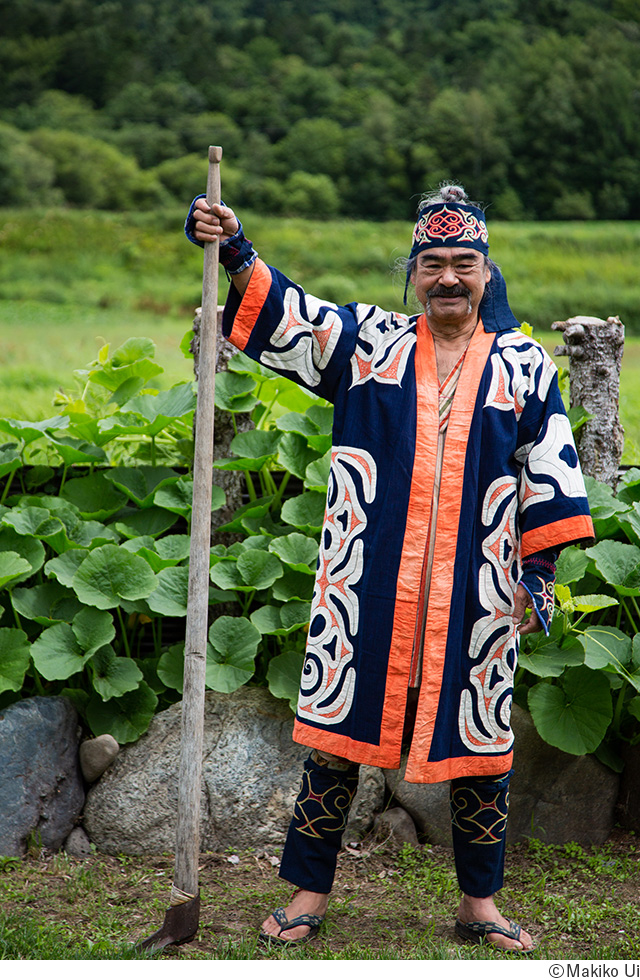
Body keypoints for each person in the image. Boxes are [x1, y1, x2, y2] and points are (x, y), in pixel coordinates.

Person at [185, 185, 594, 953]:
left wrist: (537, 575)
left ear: (487, 271)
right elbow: (292, 313)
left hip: (478, 589)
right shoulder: (369, 345)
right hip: (366, 584)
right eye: (432, 264)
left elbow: (549, 469)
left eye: (463, 264)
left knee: (481, 749)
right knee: (339, 739)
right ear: (413, 272)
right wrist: (235, 247)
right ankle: (308, 891)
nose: (448, 278)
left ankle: (480, 905)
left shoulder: (525, 365)